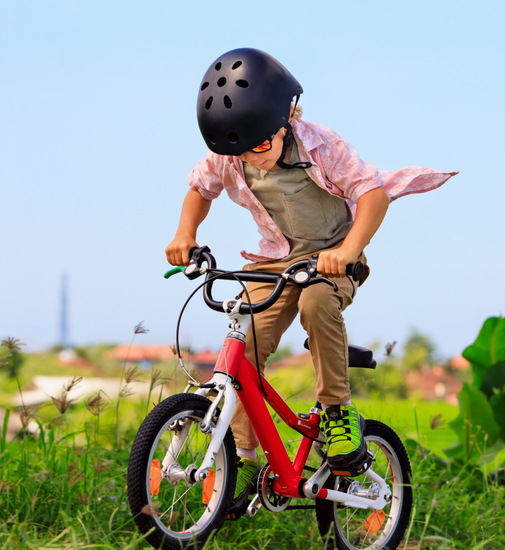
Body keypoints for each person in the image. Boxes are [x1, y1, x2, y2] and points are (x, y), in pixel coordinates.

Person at [165, 47, 456, 517]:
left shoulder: (321, 145)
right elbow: (199, 190)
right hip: (274, 261)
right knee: (242, 347)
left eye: (260, 147)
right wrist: (185, 235)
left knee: (316, 303)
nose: (252, 159)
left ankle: (337, 413)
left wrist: (348, 250)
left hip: (333, 259)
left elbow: (373, 195)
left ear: (285, 120)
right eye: (240, 152)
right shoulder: (233, 154)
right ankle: (241, 459)